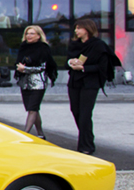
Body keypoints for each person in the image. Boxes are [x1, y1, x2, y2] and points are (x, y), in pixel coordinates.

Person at [67, 19, 110, 155]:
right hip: (75, 82)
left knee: (85, 114)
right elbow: (66, 61)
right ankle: (88, 139)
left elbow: (103, 67)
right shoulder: (75, 45)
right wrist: (71, 62)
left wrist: (84, 68)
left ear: (87, 29)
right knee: (76, 111)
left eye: (79, 28)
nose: (76, 31)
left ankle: (86, 146)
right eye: (75, 28)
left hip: (90, 83)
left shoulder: (98, 46)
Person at [15, 25, 57, 140]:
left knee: (32, 109)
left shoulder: (43, 48)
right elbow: (18, 62)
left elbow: (42, 67)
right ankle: (40, 133)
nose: (29, 36)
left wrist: (25, 69)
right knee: (33, 108)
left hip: (38, 83)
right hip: (25, 83)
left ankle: (25, 134)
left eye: (32, 33)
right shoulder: (23, 47)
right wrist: (19, 67)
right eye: (27, 33)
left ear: (39, 36)